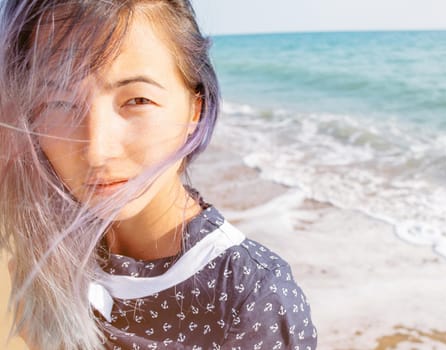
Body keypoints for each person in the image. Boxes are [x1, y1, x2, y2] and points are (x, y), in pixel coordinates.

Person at [0, 0, 317, 349]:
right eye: (59, 104)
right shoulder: (40, 249)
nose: (96, 149)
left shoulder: (251, 297)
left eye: (137, 100)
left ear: (196, 108)